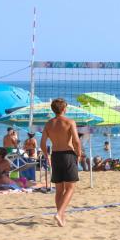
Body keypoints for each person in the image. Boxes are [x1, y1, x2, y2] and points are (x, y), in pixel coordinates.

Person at [41, 98, 83, 228]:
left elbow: (42, 143)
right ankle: (59, 213)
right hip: (67, 155)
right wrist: (79, 153)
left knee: (59, 190)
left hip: (56, 156)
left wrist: (47, 155)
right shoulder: (70, 122)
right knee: (70, 188)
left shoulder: (48, 124)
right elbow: (76, 141)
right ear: (64, 109)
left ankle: (61, 216)